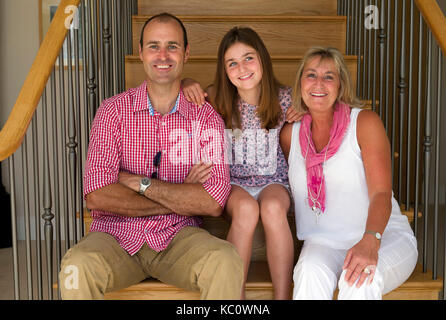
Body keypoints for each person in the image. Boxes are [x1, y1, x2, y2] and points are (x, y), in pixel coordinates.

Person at [58, 13, 244, 300]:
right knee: (75, 268)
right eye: (154, 46)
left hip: (179, 239)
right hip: (114, 237)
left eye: (172, 46)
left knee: (226, 259)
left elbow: (212, 201)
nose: (163, 55)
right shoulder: (112, 112)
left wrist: (139, 183)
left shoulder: (205, 118)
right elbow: (97, 195)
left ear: (186, 53)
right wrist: (179, 199)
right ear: (142, 52)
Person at [280, 46, 418, 300]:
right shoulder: (291, 135)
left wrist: (370, 240)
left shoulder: (364, 123)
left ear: (341, 85)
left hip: (383, 236)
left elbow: (381, 193)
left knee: (359, 281)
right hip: (323, 242)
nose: (318, 83)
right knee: (308, 272)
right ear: (300, 83)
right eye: (310, 75)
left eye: (329, 76)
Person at [182, 27, 296, 299]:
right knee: (245, 210)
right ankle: (235, 297)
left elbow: (326, 104)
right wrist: (185, 81)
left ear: (263, 60)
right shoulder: (218, 98)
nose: (241, 68)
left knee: (272, 208)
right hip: (233, 183)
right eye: (232, 63)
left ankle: (283, 295)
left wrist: (304, 109)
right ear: (224, 70)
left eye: (248, 58)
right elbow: (180, 96)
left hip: (274, 180)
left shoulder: (285, 98)